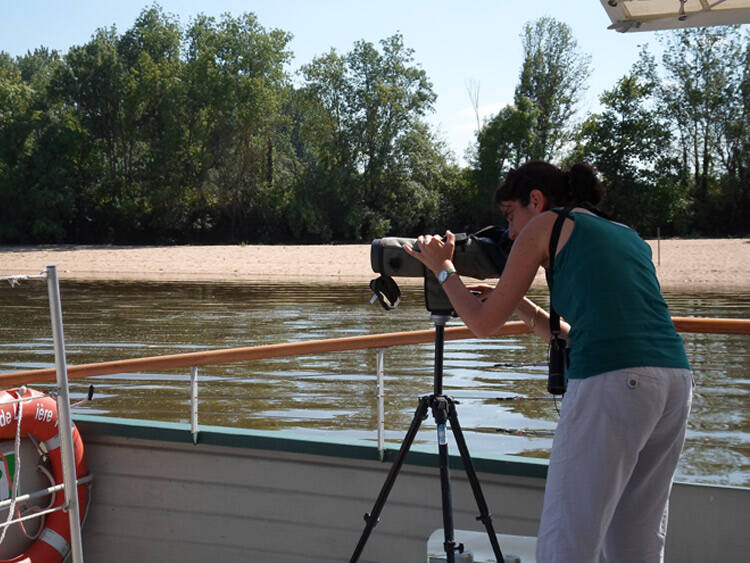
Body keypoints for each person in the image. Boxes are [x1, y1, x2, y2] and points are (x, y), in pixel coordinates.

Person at [404, 160, 693, 563]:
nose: (509, 232)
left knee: (567, 539)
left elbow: (483, 325)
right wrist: (521, 304)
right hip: (674, 381)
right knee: (636, 541)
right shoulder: (625, 233)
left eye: (510, 215)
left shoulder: (545, 225)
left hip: (614, 381)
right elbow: (583, 338)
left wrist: (442, 269)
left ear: (535, 201)